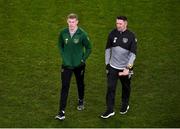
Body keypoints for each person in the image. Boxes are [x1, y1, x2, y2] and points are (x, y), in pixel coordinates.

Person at [55, 13, 92, 120]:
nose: (71, 24)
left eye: (73, 22)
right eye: (69, 22)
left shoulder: (82, 34)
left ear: (77, 22)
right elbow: (59, 44)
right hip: (66, 65)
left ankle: (81, 100)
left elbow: (89, 48)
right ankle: (61, 112)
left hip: (79, 65)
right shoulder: (63, 32)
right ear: (67, 21)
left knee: (80, 83)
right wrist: (63, 55)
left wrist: (82, 59)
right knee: (64, 87)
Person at [101, 16, 137, 119]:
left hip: (125, 68)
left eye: (120, 24)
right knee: (110, 87)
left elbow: (133, 54)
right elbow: (107, 49)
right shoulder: (112, 33)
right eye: (117, 23)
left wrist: (128, 68)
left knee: (126, 87)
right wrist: (107, 64)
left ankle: (125, 104)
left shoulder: (131, 36)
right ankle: (110, 109)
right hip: (113, 66)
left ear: (125, 24)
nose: (118, 26)